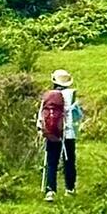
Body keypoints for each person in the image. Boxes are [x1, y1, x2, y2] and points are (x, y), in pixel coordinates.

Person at [37, 69, 79, 198]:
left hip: (52, 132)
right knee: (69, 160)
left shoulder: (48, 95)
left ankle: (50, 190)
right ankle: (69, 189)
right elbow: (77, 114)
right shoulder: (71, 94)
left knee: (51, 161)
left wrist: (41, 128)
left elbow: (41, 113)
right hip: (68, 132)